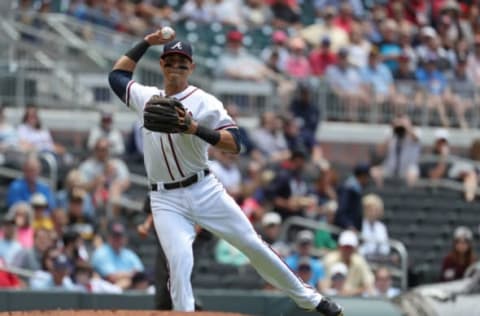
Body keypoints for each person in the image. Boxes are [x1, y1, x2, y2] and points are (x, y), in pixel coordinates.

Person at [107, 28, 343, 314]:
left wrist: (195, 129)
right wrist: (145, 41)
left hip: (203, 189)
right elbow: (117, 77)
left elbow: (235, 144)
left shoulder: (205, 102)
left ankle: (313, 300)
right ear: (162, 65)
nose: (176, 68)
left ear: (191, 68)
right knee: (180, 264)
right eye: (170, 62)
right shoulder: (146, 97)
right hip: (164, 199)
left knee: (252, 244)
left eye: (182, 64)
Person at [91, 222, 144, 290]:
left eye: (120, 236)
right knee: (125, 282)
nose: (118, 239)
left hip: (128, 288)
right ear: (109, 237)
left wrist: (125, 278)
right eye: (115, 236)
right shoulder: (101, 252)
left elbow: (140, 273)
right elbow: (111, 277)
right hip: (105, 291)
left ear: (125, 238)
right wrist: (130, 274)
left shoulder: (129, 254)